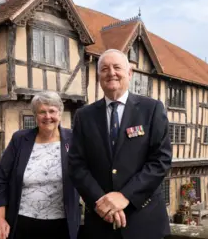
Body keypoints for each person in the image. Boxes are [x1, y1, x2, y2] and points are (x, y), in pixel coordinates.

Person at [68, 49, 172, 239]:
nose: (111, 73)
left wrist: (125, 196)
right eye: (105, 68)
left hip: (145, 222)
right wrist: (102, 203)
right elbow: (77, 166)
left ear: (130, 73)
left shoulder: (152, 109)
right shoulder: (84, 116)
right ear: (99, 75)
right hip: (100, 223)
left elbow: (160, 160)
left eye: (117, 67)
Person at [0, 91, 81, 239]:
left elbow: (89, 173)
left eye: (52, 111)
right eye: (42, 112)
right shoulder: (19, 139)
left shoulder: (74, 139)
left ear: (60, 113)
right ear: (35, 115)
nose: (47, 116)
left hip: (62, 225)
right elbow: (0, 179)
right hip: (22, 223)